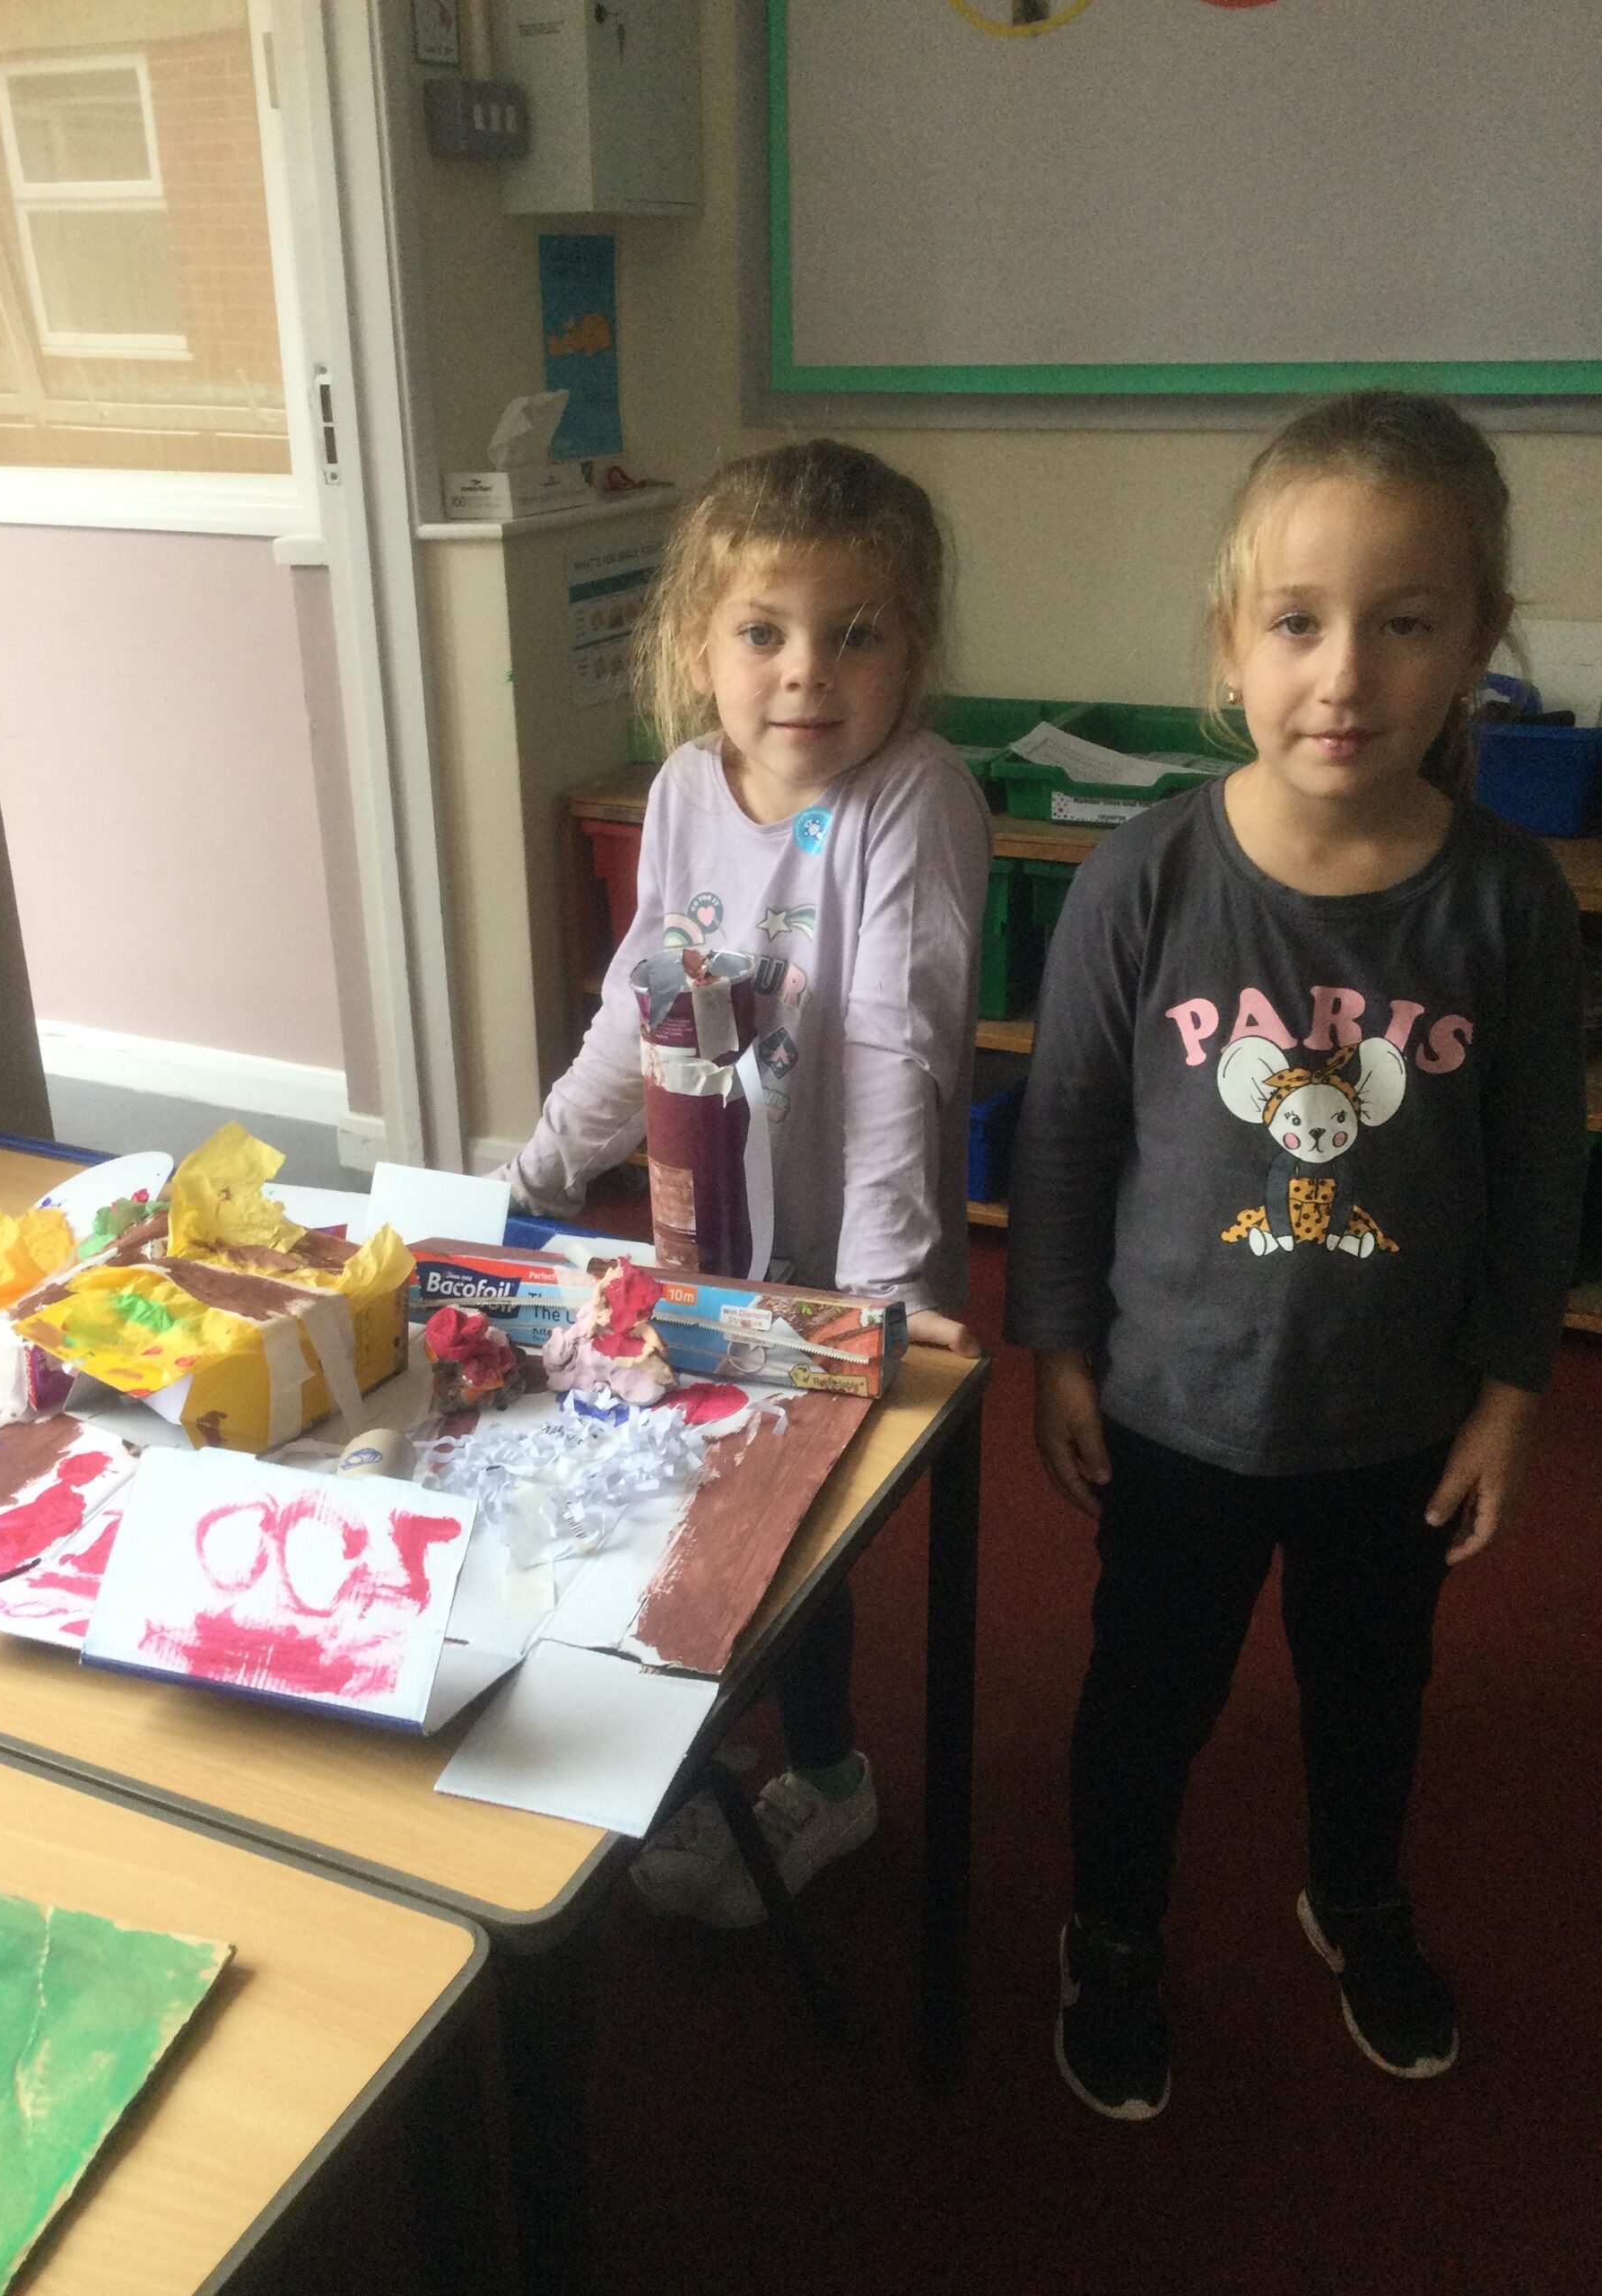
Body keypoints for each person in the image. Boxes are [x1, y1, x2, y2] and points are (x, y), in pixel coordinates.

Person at [1006, 390, 1586, 2119]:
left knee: (1371, 1694)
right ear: (1229, 642)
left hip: (1396, 1419)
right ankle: (1113, 1931)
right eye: (1297, 622)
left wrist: (1513, 1394)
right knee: (1147, 1699)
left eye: (1404, 624)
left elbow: (1537, 1165)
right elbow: (1066, 1132)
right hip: (1178, 1408)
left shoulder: (1509, 902)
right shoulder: (1143, 878)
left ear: (1478, 643)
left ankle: (1356, 1896)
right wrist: (1058, 1347)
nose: (1345, 674)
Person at [507, 437, 992, 1925]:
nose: (807, 674)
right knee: (687, 1504)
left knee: (794, 1542)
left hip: (846, 1261)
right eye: (765, 632)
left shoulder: (910, 799)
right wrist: (537, 1167)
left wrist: (878, 1300)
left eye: (857, 635)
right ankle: (708, 1731)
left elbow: (896, 1052)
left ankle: (831, 1777)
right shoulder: (680, 791)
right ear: (696, 645)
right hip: (701, 1246)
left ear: (914, 649)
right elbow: (637, 1008)